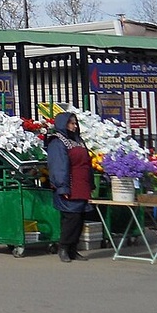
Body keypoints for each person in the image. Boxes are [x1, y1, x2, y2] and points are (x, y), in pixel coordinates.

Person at [45, 110, 94, 263]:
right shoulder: (58, 141)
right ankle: (64, 247)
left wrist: (90, 183)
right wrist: (62, 187)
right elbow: (59, 165)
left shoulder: (78, 140)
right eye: (71, 123)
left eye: (75, 123)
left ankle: (73, 249)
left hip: (81, 185)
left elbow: (87, 163)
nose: (74, 126)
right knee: (71, 218)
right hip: (69, 184)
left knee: (80, 218)